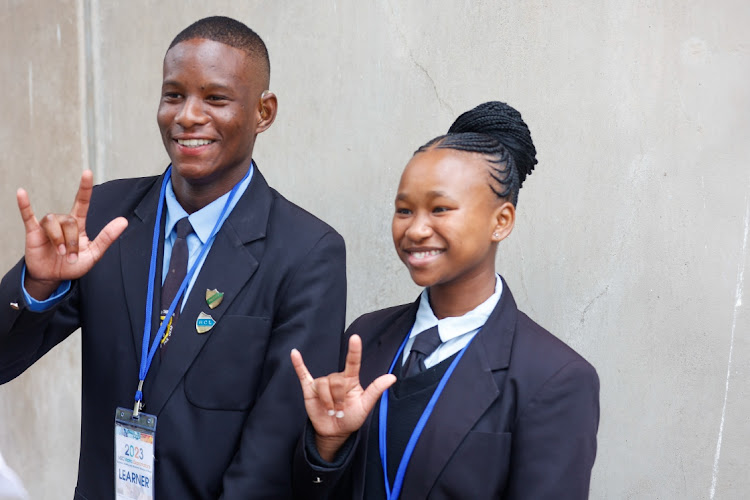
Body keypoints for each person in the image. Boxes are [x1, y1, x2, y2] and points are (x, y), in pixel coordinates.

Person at [0, 16, 346, 499]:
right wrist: (37, 285)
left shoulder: (307, 253)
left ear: (263, 113)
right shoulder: (105, 217)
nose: (187, 115)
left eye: (216, 98)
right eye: (174, 95)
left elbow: (272, 450)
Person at [291, 101, 600, 499]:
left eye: (440, 209)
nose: (416, 229)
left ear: (501, 221)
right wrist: (328, 446)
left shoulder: (555, 377)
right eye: (404, 209)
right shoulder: (366, 337)